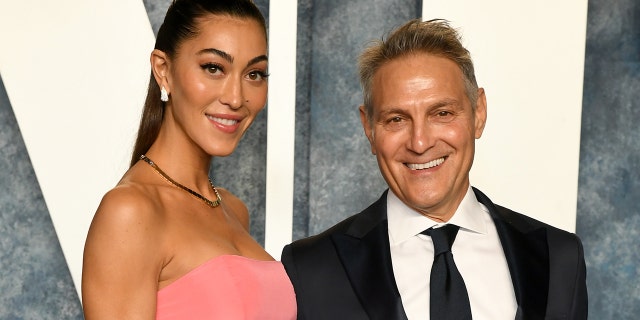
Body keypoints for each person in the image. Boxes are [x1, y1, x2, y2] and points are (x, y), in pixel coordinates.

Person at [281, 18, 587, 320]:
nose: (420, 142)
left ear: (478, 112)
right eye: (396, 119)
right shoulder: (311, 267)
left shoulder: (559, 257)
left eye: (442, 113)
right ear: (369, 128)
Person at [82, 1, 296, 319]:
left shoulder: (233, 209)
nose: (236, 98)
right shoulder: (130, 212)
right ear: (163, 71)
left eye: (254, 74)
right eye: (213, 68)